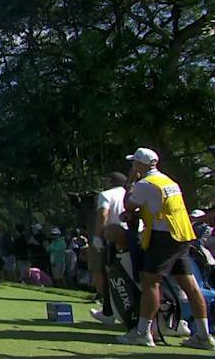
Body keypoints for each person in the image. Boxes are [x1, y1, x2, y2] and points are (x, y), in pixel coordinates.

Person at [116, 147, 215, 350]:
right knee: (190, 285)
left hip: (164, 237)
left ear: (141, 165)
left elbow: (128, 205)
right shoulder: (169, 181)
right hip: (183, 235)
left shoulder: (144, 183)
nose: (132, 165)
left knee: (150, 281)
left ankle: (143, 333)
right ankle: (203, 335)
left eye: (134, 162)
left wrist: (130, 182)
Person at [89, 172, 130, 324]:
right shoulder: (130, 194)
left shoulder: (106, 194)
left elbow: (103, 215)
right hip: (132, 238)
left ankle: (109, 313)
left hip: (113, 239)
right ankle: (116, 311)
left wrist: (98, 237)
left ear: (111, 181)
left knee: (110, 275)